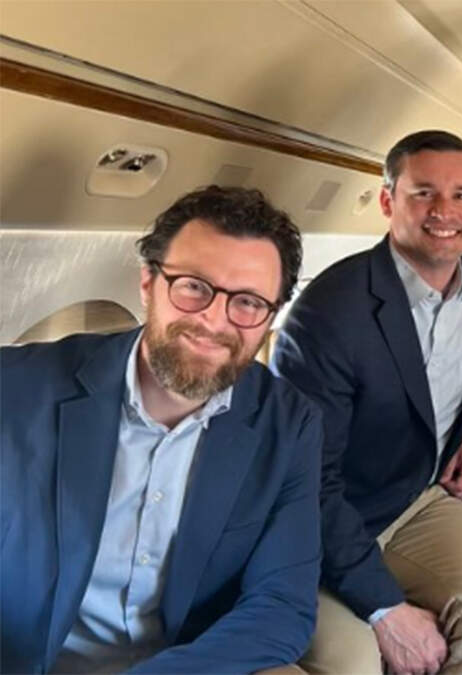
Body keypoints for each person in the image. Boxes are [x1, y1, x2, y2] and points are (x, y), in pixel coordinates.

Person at [0, 186, 321, 673]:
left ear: (270, 316)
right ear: (148, 282)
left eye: (248, 302)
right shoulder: (18, 388)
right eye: (193, 286)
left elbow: (282, 605)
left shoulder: (288, 424)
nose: (213, 321)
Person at [270, 130, 462, 674]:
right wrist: (386, 609)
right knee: (354, 662)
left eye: (461, 195)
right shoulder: (329, 313)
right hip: (318, 523)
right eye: (423, 193)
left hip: (415, 499)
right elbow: (304, 478)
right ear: (388, 201)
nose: (444, 211)